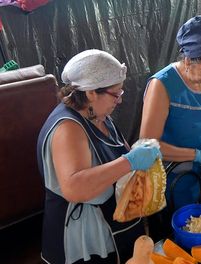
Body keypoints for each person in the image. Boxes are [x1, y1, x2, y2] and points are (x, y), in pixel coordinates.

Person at [36, 49, 161, 264]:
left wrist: (138, 154)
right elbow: (75, 188)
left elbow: (118, 152)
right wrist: (129, 161)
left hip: (112, 222)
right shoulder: (68, 128)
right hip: (83, 236)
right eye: (116, 93)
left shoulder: (99, 115)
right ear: (91, 92)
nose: (120, 100)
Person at [140, 16, 201, 212]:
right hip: (172, 177)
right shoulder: (162, 85)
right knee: (178, 228)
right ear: (187, 60)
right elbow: (147, 145)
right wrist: (198, 155)